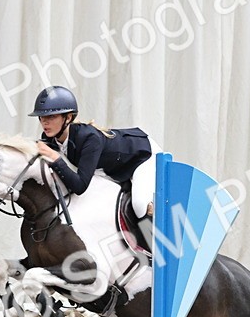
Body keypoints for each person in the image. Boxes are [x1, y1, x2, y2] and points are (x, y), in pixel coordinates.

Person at [30, 86, 156, 218]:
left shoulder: (90, 138)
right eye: (41, 117)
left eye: (51, 116)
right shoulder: (48, 137)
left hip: (142, 155)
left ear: (68, 118)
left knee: (139, 206)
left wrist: (54, 157)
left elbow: (80, 187)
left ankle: (154, 223)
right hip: (114, 166)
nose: (44, 122)